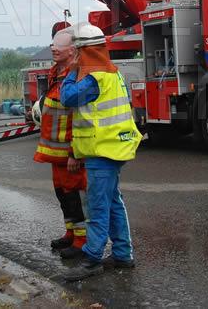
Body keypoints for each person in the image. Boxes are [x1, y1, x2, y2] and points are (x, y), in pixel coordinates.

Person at [60, 23, 142, 281]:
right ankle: (122, 255)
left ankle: (92, 259)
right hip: (113, 147)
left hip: (102, 151)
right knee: (113, 202)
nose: (74, 56)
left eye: (77, 51)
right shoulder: (111, 73)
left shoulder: (93, 78)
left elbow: (67, 97)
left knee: (97, 207)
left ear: (84, 51)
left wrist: (72, 71)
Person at [33, 27, 88, 259]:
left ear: (73, 50)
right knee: (62, 193)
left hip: (70, 152)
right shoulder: (56, 72)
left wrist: (76, 152)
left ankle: (82, 241)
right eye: (53, 44)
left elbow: (82, 118)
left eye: (59, 45)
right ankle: (71, 232)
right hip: (55, 151)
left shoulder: (78, 75)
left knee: (75, 195)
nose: (53, 48)